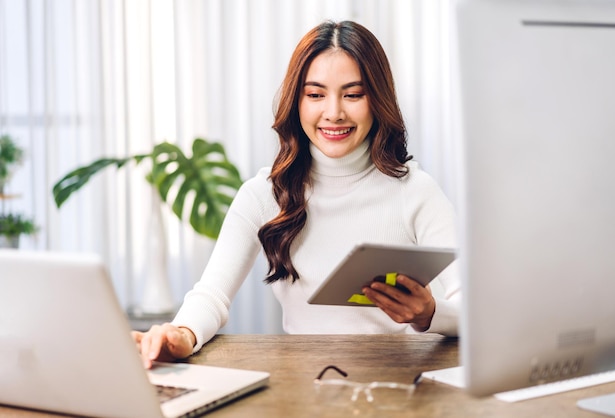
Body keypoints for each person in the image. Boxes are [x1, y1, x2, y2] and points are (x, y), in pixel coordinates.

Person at [133, 20, 460, 368]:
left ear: (377, 100)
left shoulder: (415, 190)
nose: (333, 113)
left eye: (352, 94)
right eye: (315, 94)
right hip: (306, 381)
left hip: (400, 379)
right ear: (296, 102)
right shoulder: (263, 194)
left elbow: (474, 307)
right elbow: (212, 294)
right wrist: (182, 333)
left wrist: (429, 314)